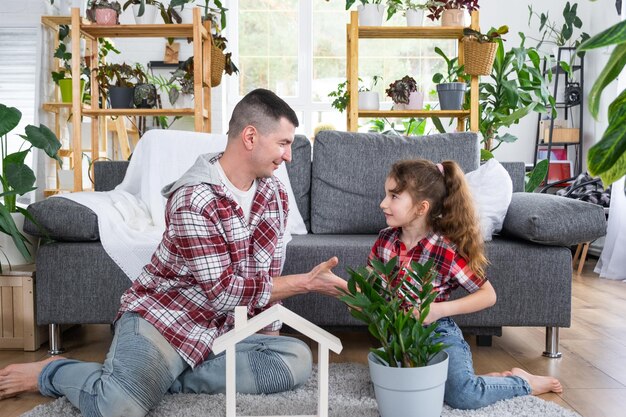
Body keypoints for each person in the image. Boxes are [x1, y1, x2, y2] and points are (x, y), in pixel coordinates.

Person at [0, 89, 347, 417]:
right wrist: (305, 283)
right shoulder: (193, 198)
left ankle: (152, 379)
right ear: (251, 137)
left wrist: (266, 336)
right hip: (165, 321)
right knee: (118, 406)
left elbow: (266, 273)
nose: (288, 155)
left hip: (219, 329)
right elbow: (225, 292)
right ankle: (53, 372)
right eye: (283, 143)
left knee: (295, 359)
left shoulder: (273, 194)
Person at [369, 158, 562, 410]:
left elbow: (487, 295)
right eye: (386, 195)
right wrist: (339, 287)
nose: (383, 203)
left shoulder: (444, 248)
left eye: (394, 196)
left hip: (437, 331)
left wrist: (437, 310)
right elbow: (370, 287)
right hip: (401, 335)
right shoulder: (386, 240)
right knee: (389, 387)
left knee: (463, 396)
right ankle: (485, 380)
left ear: (421, 207)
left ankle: (522, 382)